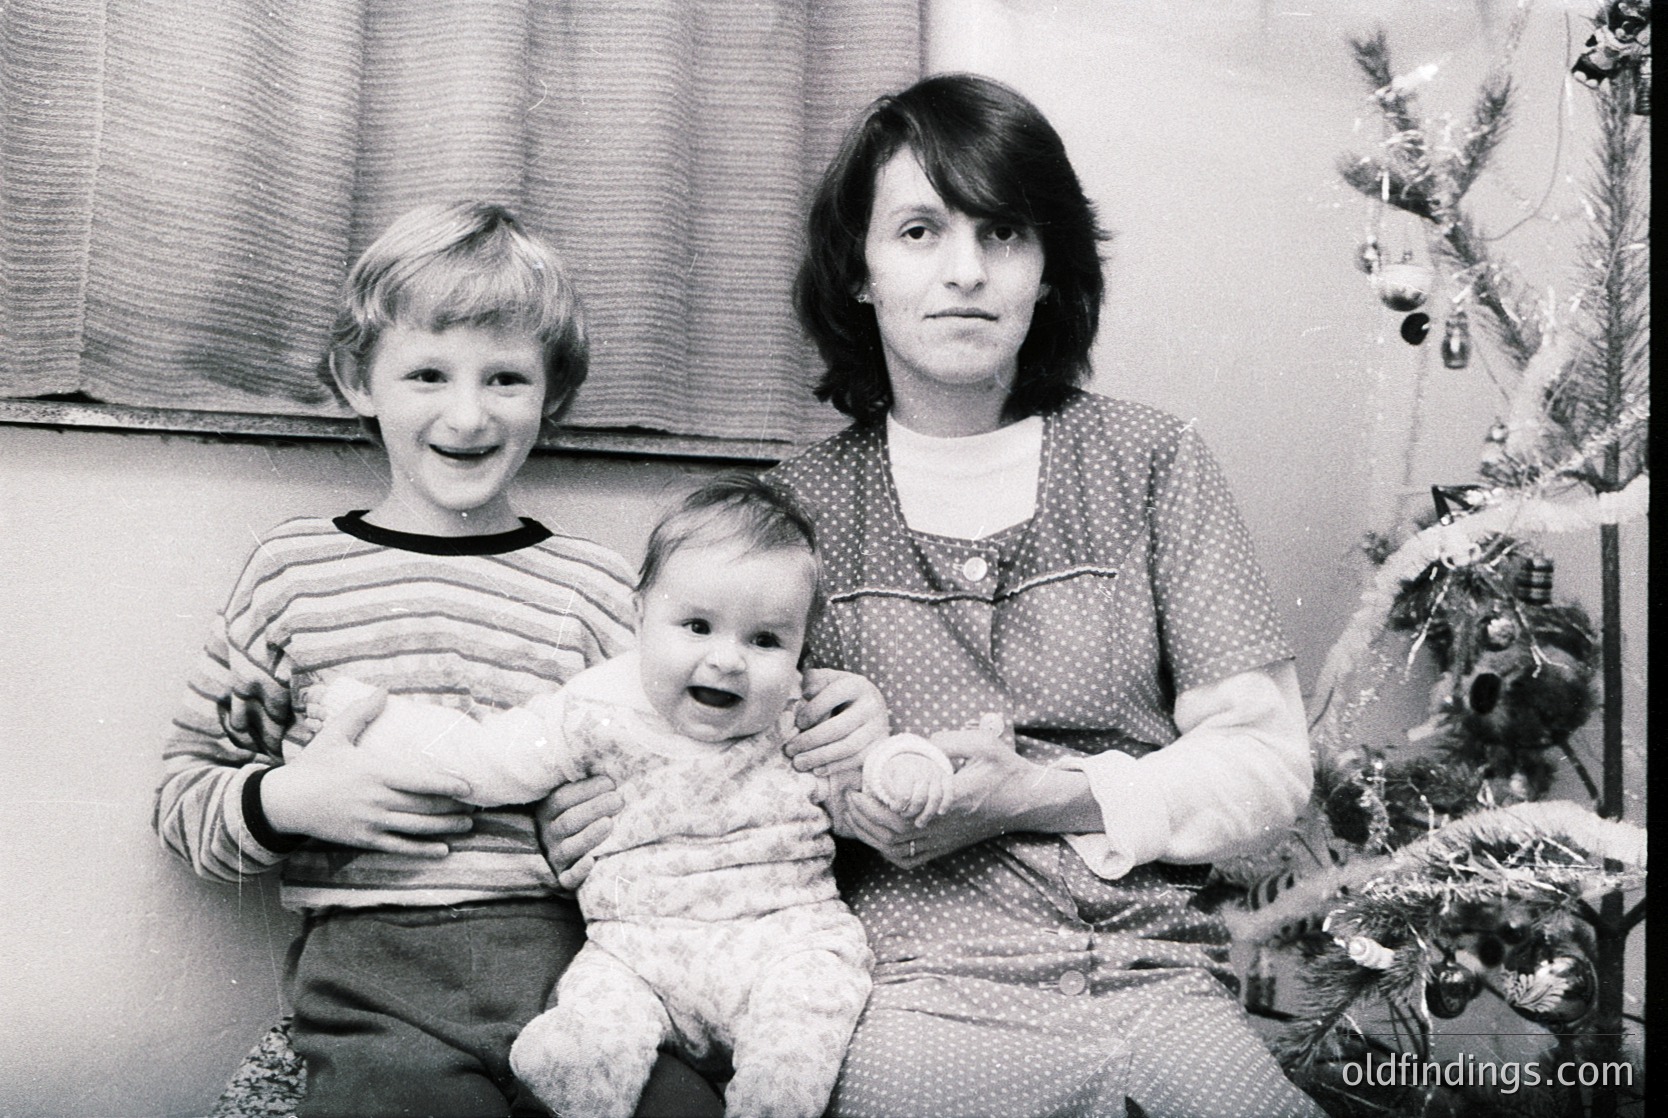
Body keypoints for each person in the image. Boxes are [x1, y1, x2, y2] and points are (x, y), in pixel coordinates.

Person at [551, 74, 1325, 1118]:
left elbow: (1270, 767)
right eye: (919, 231)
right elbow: (693, 734)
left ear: (1048, 268)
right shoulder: (795, 510)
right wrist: (586, 809)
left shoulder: (1156, 462)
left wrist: (1045, 794)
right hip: (918, 984)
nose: (965, 271)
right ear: (861, 272)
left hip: (1153, 974)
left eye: (1002, 232)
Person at [153, 202, 884, 1118]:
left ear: (552, 395)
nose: (467, 414)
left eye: (505, 378)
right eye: (426, 373)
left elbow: (712, 755)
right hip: (372, 976)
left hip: (572, 966)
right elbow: (185, 801)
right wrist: (288, 800)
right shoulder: (292, 573)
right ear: (358, 380)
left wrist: (836, 708)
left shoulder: (594, 588)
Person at [309, 475, 935, 1118]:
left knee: (807, 1018)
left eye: (766, 640)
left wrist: (904, 767)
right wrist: (371, 719)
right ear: (641, 616)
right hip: (638, 952)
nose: (727, 660)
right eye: (697, 625)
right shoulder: (594, 709)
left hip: (781, 940)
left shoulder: (797, 719)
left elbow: (863, 793)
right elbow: (485, 759)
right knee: (590, 1033)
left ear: (802, 647)